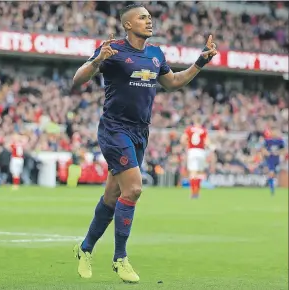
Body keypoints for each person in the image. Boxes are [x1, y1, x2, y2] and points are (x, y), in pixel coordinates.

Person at [72, 3, 217, 283]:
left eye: (150, 17)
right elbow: (78, 80)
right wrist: (97, 61)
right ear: (127, 25)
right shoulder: (112, 49)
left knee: (113, 196)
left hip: (141, 132)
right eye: (142, 17)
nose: (149, 21)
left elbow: (173, 82)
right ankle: (120, 258)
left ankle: (85, 248)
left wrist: (200, 62)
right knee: (135, 189)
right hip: (115, 129)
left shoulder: (155, 53)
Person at [181, 116, 209, 198]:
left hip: (192, 151)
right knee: (199, 172)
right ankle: (197, 192)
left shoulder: (189, 129)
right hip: (201, 152)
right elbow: (207, 142)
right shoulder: (203, 130)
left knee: (193, 172)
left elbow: (182, 140)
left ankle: (193, 192)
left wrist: (187, 145)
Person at [262, 127, 285, 195]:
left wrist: (278, 152)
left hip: (277, 159)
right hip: (270, 159)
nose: (276, 133)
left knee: (274, 174)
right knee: (271, 173)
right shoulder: (268, 141)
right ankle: (272, 190)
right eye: (275, 131)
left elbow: (284, 150)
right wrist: (268, 153)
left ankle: (269, 181)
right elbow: (263, 149)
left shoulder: (280, 141)